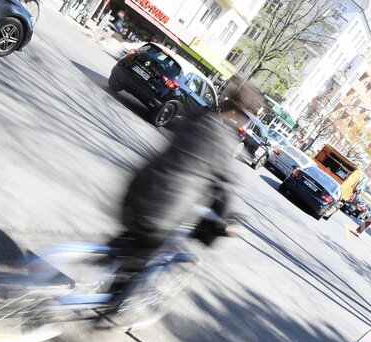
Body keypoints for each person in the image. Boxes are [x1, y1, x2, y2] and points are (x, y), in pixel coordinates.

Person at [102, 77, 262, 309]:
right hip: (161, 211)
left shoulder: (196, 116)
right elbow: (223, 191)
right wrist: (225, 224)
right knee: (145, 259)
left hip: (137, 187)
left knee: (132, 241)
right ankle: (109, 309)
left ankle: (103, 260)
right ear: (240, 115)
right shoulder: (224, 143)